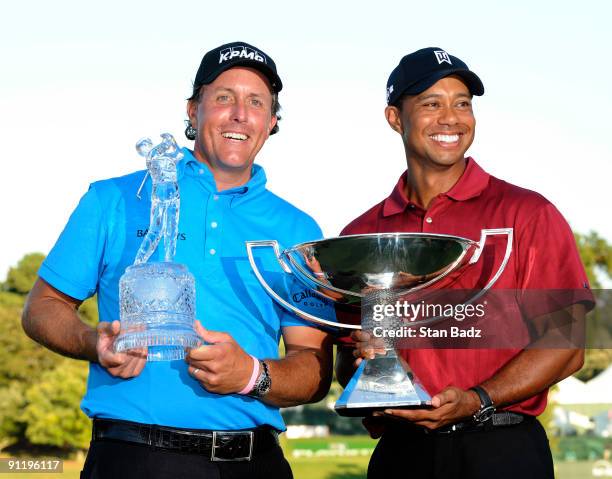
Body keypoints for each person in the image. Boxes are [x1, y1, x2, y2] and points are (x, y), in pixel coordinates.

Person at [22, 41, 333, 479]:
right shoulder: (112, 198)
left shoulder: (298, 229)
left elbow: (313, 370)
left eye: (256, 102)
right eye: (224, 97)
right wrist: (95, 343)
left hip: (253, 464)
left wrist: (251, 375)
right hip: (132, 459)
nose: (240, 113)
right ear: (193, 110)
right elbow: (41, 308)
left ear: (272, 121)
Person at [334, 47, 594, 479]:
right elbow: (348, 365)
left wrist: (478, 398)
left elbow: (569, 346)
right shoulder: (361, 235)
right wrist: (364, 359)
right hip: (403, 453)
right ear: (395, 118)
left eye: (462, 103)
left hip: (502, 448)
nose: (451, 118)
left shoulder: (527, 213)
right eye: (431, 104)